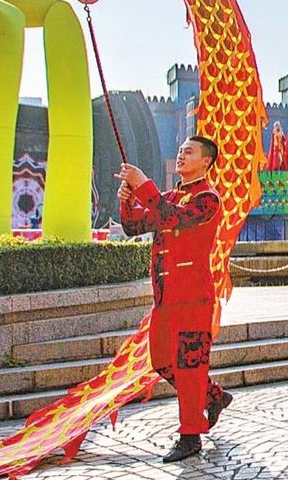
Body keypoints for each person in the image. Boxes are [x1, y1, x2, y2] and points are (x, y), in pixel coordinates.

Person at [118, 136, 233, 463]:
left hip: (193, 297)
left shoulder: (208, 199)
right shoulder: (168, 196)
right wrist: (127, 199)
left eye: (189, 152)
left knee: (189, 365)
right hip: (166, 298)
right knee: (163, 362)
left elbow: (172, 218)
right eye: (180, 150)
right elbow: (132, 226)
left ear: (206, 161)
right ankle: (213, 396)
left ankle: (190, 435)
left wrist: (143, 185)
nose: (181, 155)